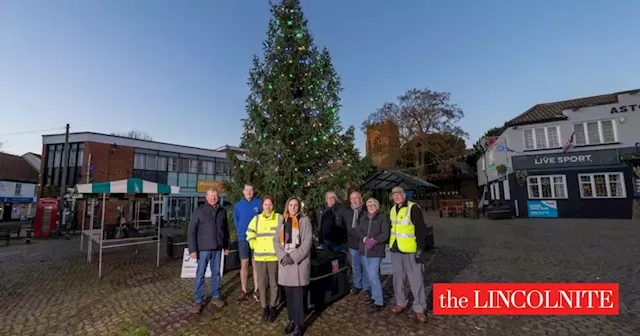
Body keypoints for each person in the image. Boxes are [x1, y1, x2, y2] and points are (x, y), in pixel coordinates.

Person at [388, 186, 428, 323]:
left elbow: (421, 229)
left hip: (411, 251)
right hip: (396, 250)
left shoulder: (413, 208)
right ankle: (401, 302)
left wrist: (420, 249)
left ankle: (420, 309)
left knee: (416, 280)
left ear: (404, 195)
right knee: (398, 280)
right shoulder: (393, 210)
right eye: (394, 195)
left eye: (399, 194)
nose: (397, 197)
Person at [187, 188, 230, 314]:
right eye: (211, 196)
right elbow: (191, 231)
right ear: (206, 197)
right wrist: (192, 249)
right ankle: (198, 300)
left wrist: (226, 246)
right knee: (200, 274)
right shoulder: (199, 211)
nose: (213, 198)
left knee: (216, 273)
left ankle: (216, 296)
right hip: (203, 249)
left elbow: (225, 230)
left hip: (217, 248)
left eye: (215, 196)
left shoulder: (222, 211)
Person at [274, 197, 312, 336]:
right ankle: (291, 320)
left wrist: (293, 257)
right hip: (285, 263)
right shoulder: (282, 220)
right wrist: (283, 256)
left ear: (299, 207)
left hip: (298, 264)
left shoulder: (304, 220)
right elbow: (276, 240)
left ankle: (299, 324)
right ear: (287, 206)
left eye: (296, 205)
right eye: (291, 205)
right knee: (288, 295)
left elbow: (307, 243)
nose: (293, 207)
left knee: (298, 296)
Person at [246, 195, 280, 322]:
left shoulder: (279, 218)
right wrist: (253, 244)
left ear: (273, 206)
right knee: (261, 283)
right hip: (260, 257)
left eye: (270, 204)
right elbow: (249, 233)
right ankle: (264, 307)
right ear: (262, 206)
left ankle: (273, 306)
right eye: (265, 205)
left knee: (274, 283)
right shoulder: (256, 219)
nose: (268, 207)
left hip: (273, 257)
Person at [356, 198, 390, 311]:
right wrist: (365, 239)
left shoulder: (382, 218)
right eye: (369, 204)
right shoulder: (364, 217)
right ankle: (374, 296)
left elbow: (385, 234)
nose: (370, 206)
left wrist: (374, 240)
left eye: (373, 204)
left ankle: (379, 301)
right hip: (364, 251)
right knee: (369, 274)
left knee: (372, 274)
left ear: (377, 206)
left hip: (376, 252)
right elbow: (359, 230)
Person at [233, 184, 262, 303]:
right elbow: (236, 221)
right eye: (247, 190)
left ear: (253, 191)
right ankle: (244, 290)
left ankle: (257, 289)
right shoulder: (238, 205)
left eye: (251, 190)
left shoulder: (259, 203)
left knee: (256, 264)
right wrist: (242, 232)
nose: (249, 192)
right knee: (244, 264)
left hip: (256, 238)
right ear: (243, 191)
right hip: (243, 239)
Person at [343, 191, 370, 295]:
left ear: (361, 199)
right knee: (355, 265)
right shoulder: (347, 212)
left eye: (356, 198)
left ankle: (366, 285)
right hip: (353, 243)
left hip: (364, 243)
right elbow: (345, 227)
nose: (354, 200)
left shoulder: (366, 210)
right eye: (352, 198)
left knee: (365, 265)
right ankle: (357, 285)